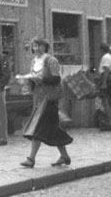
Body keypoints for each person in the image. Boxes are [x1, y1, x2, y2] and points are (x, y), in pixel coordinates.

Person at [16, 37, 73, 168]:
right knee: (53, 129)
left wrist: (40, 78)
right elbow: (34, 78)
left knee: (38, 127)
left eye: (39, 46)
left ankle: (31, 159)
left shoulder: (51, 60)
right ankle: (64, 156)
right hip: (38, 99)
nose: (36, 48)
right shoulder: (34, 61)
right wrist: (26, 80)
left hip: (49, 99)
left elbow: (56, 78)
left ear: (45, 47)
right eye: (34, 46)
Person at [98, 42, 111, 128]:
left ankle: (110, 122)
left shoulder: (105, 57)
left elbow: (106, 70)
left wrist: (103, 83)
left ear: (102, 50)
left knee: (106, 102)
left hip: (108, 81)